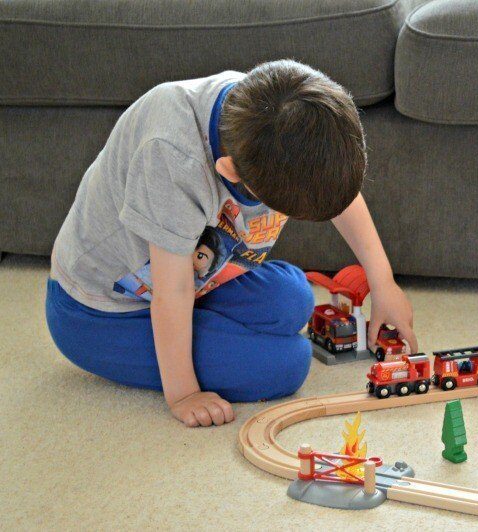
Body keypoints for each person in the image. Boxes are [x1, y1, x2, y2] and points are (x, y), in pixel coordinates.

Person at [46, 60, 417, 427]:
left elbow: (340, 193)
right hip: (98, 312)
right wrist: (183, 394)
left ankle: (214, 330)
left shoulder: (275, 110)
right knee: (285, 364)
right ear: (230, 172)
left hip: (193, 279)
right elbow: (171, 292)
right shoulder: (174, 158)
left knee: (295, 300)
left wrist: (383, 283)